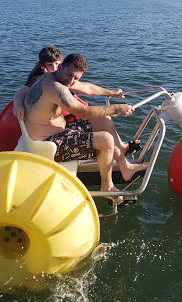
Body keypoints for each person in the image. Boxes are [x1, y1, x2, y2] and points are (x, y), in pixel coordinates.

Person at [23, 53, 149, 200]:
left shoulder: (56, 77)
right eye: (69, 74)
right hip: (47, 143)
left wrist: (110, 92)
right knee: (106, 140)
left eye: (76, 78)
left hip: (57, 133)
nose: (71, 80)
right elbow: (84, 112)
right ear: (61, 66)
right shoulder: (56, 88)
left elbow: (87, 88)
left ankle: (125, 167)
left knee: (105, 120)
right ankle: (107, 187)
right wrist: (116, 108)